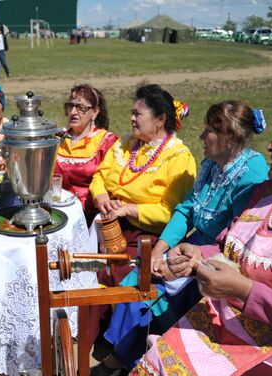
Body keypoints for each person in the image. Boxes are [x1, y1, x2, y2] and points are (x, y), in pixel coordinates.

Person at [131, 103, 272, 376]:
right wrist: (199, 255)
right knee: (157, 352)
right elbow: (228, 248)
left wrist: (244, 290)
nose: (269, 147)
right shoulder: (267, 195)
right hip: (230, 319)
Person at [96, 101, 270, 374]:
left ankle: (143, 357)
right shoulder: (213, 164)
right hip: (193, 246)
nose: (200, 138)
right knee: (138, 277)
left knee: (157, 292)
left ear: (231, 138)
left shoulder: (252, 175)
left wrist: (186, 259)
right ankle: (126, 353)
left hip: (218, 259)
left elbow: (237, 238)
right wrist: (160, 248)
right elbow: (187, 209)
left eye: (208, 132)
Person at [88, 84, 197, 346]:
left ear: (160, 120)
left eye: (138, 114)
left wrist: (130, 209)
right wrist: (101, 195)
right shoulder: (125, 144)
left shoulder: (179, 158)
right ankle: (87, 337)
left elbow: (171, 212)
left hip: (146, 237)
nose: (132, 118)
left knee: (114, 275)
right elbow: (100, 176)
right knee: (84, 270)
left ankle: (113, 345)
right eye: (132, 112)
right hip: (108, 227)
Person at [54, 84, 118, 222]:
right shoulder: (57, 139)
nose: (73, 112)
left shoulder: (106, 142)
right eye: (70, 106)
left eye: (81, 107)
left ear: (95, 112)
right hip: (57, 213)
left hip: (91, 217)